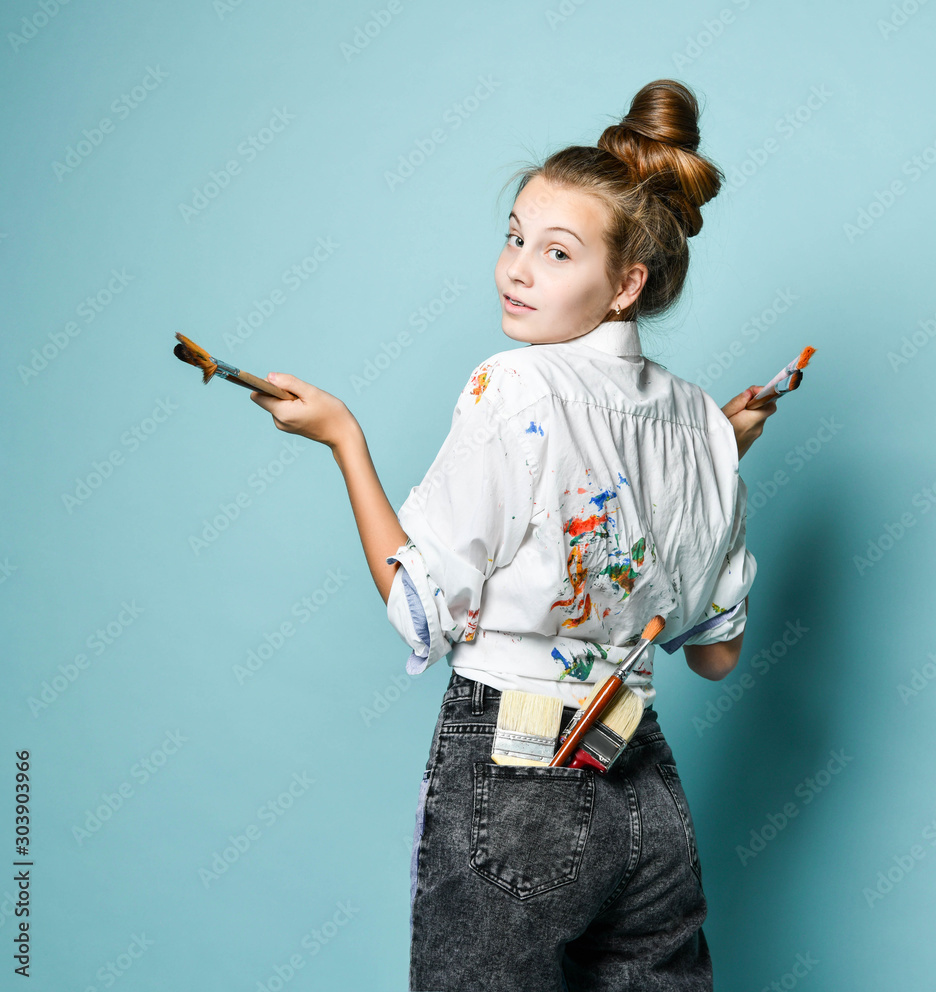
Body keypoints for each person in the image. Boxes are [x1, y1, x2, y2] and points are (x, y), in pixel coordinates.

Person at [250, 78, 778, 992]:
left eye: (556, 251)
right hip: (644, 777)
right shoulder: (701, 424)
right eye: (515, 238)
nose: (518, 268)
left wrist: (344, 439)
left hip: (518, 763)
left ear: (627, 284)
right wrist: (715, 455)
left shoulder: (517, 386)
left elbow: (420, 605)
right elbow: (715, 658)